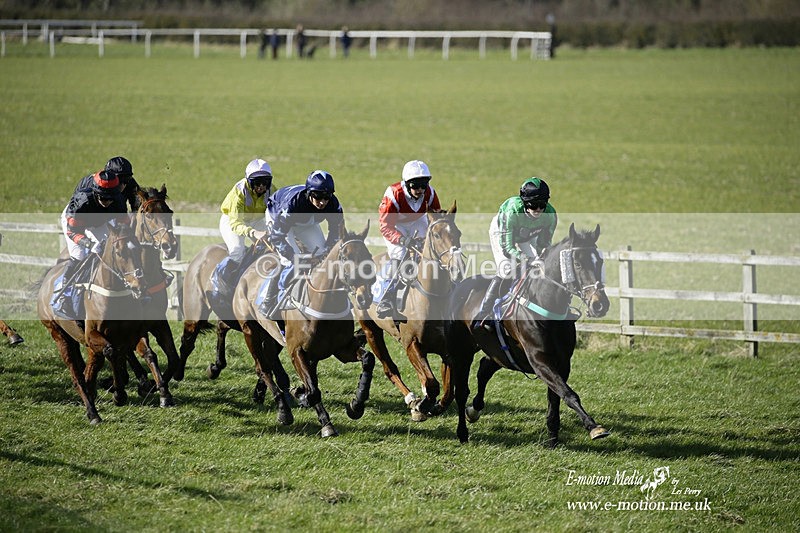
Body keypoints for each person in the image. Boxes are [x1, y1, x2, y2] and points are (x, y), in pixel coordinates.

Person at [473, 177, 557, 330]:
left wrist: (540, 259)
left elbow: (544, 245)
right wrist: (527, 259)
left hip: (528, 234)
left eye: (542, 205)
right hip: (503, 233)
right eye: (534, 205)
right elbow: (508, 248)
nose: (538, 210)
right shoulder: (512, 211)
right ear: (525, 203)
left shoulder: (550, 215)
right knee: (506, 267)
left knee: (540, 265)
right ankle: (484, 314)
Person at [258, 170, 343, 318]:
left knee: (323, 254)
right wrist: (294, 257)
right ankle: (269, 300)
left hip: (306, 221)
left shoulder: (334, 205)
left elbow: (336, 233)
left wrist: (326, 252)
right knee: (291, 260)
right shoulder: (293, 204)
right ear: (310, 193)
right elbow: (277, 236)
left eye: (326, 197)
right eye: (318, 196)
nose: (322, 202)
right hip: (278, 216)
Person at [53, 170, 128, 318]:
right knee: (79, 255)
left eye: (110, 198)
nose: (107, 202)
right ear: (95, 192)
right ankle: (63, 296)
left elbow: (124, 227)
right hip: (75, 223)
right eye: (103, 198)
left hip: (99, 222)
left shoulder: (118, 200)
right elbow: (72, 232)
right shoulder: (82, 202)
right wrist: (89, 244)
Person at [375, 160, 441, 319]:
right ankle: (386, 298)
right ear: (407, 183)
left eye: (423, 185)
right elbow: (385, 225)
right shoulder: (393, 194)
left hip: (419, 221)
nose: (419, 190)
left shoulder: (430, 193)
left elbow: (437, 219)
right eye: (415, 186)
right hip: (395, 226)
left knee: (435, 250)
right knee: (400, 255)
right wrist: (403, 240)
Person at [216, 159, 273, 298]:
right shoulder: (239, 192)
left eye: (265, 182)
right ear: (249, 180)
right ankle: (220, 281)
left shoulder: (273, 191)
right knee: (237, 251)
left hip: (256, 220)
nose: (261, 186)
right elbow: (236, 223)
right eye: (257, 182)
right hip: (232, 220)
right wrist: (254, 232)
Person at [74, 156, 140, 212]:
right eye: (120, 180)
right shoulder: (94, 185)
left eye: (126, 180)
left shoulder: (130, 182)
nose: (123, 185)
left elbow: (139, 204)